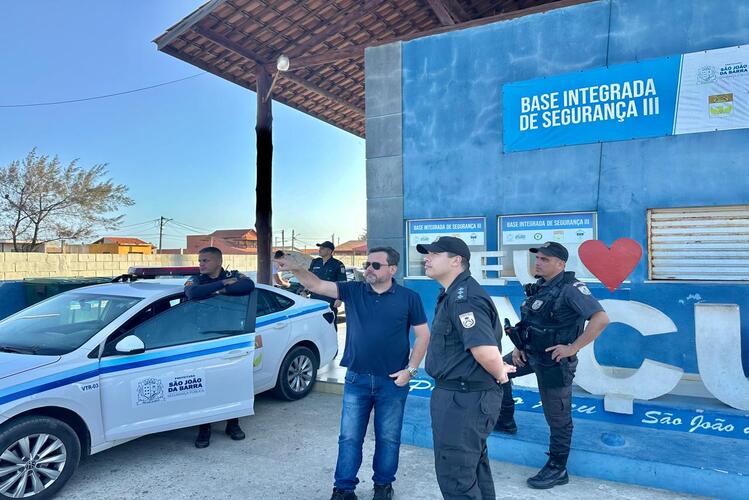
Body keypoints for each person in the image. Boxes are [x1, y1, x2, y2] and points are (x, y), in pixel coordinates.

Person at [275, 247, 429, 500]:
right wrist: (296, 268)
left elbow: (423, 336)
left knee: (388, 439)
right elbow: (317, 284)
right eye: (368, 264)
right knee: (349, 438)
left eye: (376, 265)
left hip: (392, 382)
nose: (369, 268)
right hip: (356, 379)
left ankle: (383, 487)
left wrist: (410, 372)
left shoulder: (409, 297)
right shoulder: (353, 290)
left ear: (392, 269)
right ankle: (343, 489)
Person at [498, 241, 609, 489]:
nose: (538, 262)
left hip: (554, 362)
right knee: (496, 371)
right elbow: (531, 321)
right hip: (529, 355)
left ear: (561, 264)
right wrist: (519, 346)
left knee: (557, 417)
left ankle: (558, 468)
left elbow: (601, 319)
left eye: (545, 259)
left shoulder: (571, 289)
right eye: (538, 258)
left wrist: (573, 347)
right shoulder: (541, 287)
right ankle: (505, 420)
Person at [417, 236, 515, 500]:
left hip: (463, 400)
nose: (426, 258)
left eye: (434, 254)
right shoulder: (453, 294)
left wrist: (500, 373)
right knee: (472, 469)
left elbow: (484, 350)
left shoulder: (465, 298)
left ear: (456, 260)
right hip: (462, 397)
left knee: (456, 477)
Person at [184, 246, 255, 449]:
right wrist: (223, 284)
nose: (201, 264)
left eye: (205, 261)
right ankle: (204, 428)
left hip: (230, 337)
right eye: (200, 261)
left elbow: (247, 286)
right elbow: (192, 292)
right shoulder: (197, 279)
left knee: (232, 382)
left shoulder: (235, 275)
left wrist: (219, 290)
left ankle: (232, 424)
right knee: (204, 386)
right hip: (204, 340)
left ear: (218, 261)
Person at [309, 241, 347, 329]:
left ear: (330, 251)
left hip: (329, 300)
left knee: (330, 325)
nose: (320, 250)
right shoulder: (315, 262)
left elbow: (342, 283)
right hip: (314, 299)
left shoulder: (337, 264)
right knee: (315, 325)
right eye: (319, 248)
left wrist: (340, 298)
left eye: (322, 248)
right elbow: (309, 278)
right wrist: (304, 290)